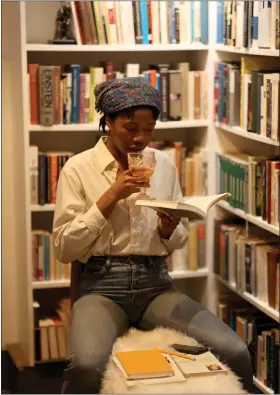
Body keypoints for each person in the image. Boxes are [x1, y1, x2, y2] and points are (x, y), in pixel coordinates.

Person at [53, 77, 253, 394]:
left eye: (149, 129)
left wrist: (168, 229)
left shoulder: (164, 164)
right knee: (86, 366)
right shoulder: (78, 169)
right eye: (130, 128)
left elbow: (178, 240)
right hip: (102, 284)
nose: (140, 139)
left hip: (155, 281)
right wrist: (110, 196)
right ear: (107, 120)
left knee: (236, 351)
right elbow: (64, 248)